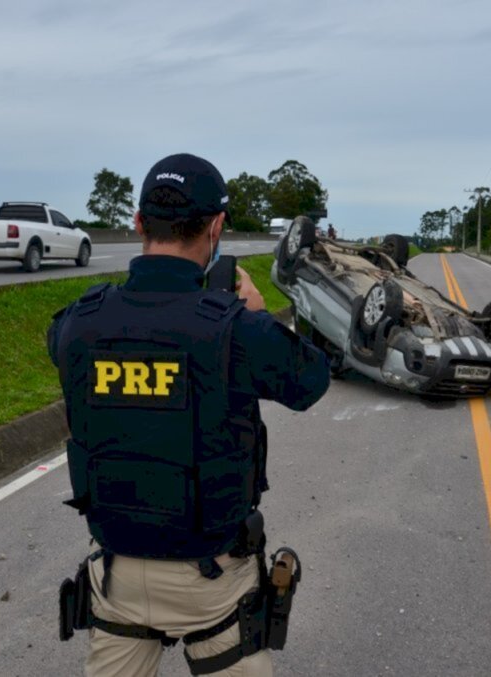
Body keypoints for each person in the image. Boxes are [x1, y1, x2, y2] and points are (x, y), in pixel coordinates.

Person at [48, 153, 330, 676]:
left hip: (116, 575)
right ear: (217, 227)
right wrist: (258, 315)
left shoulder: (78, 323)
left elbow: (66, 352)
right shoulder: (235, 329)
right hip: (212, 584)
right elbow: (310, 380)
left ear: (138, 223)